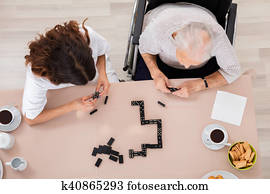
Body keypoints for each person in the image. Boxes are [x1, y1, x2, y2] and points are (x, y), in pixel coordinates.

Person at [22, 19, 119, 126]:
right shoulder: (38, 76)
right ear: (57, 78)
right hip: (63, 92)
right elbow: (31, 119)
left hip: (99, 72)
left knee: (117, 98)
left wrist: (102, 73)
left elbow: (101, 51)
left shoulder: (86, 35)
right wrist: (72, 106)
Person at [138, 3, 241, 98]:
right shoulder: (157, 31)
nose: (186, 66)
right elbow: (144, 48)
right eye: (183, 58)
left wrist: (200, 85)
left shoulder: (217, 36)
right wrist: (156, 73)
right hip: (161, 61)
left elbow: (233, 71)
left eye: (194, 62)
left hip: (203, 69)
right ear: (175, 37)